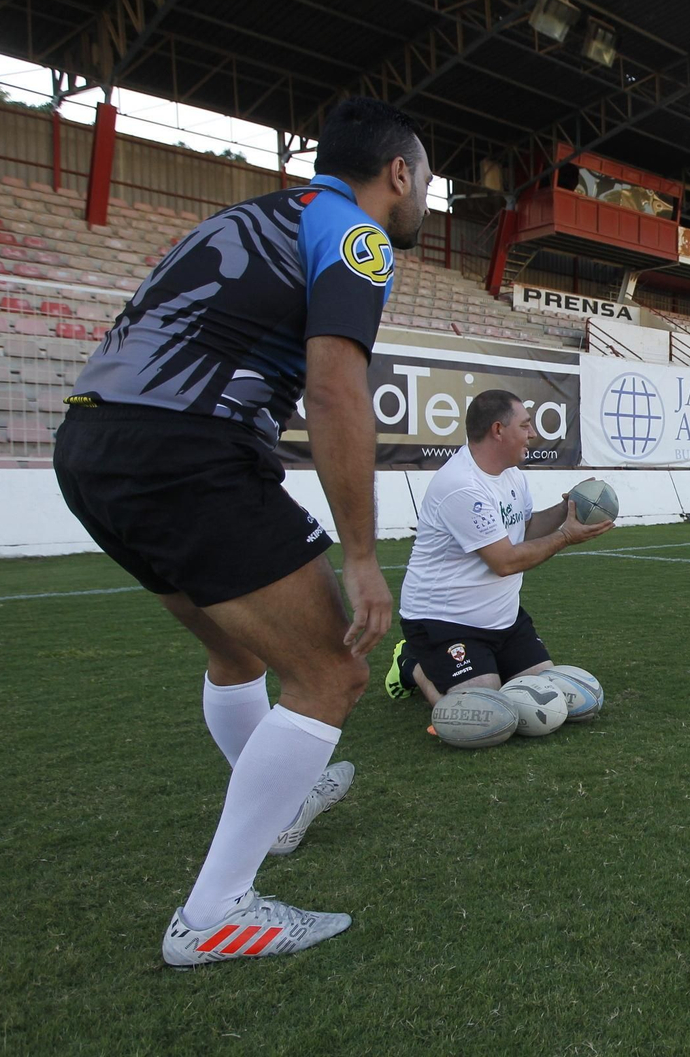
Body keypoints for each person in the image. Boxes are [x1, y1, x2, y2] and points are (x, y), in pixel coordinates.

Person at [51, 98, 431, 966]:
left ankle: (284, 807)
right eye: (424, 182)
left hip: (92, 446)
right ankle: (215, 912)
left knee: (237, 651)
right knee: (332, 671)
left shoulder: (256, 214)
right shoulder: (356, 234)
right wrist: (362, 556)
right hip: (186, 451)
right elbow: (335, 390)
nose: (421, 201)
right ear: (398, 173)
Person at [386, 391, 613, 707]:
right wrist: (565, 537)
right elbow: (504, 562)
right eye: (525, 425)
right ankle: (412, 664)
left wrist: (568, 507)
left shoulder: (512, 475)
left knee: (556, 699)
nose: (532, 433)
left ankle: (481, 666)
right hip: (445, 622)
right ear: (498, 430)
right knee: (484, 708)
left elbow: (525, 529)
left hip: (503, 619)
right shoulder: (461, 485)